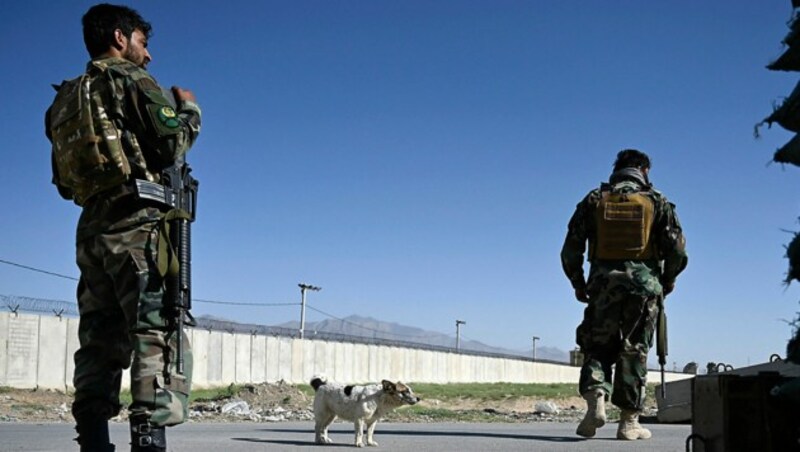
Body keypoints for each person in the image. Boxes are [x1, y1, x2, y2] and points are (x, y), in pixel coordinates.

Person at [45, 4, 202, 451]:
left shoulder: (64, 99)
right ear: (120, 37)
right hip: (137, 225)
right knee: (155, 333)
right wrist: (189, 110)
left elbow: (64, 180)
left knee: (99, 340)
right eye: (143, 43)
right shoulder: (126, 78)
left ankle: (92, 442)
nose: (148, 56)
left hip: (92, 230)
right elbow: (171, 141)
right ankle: (148, 444)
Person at [560, 149, 687, 441]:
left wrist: (578, 283)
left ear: (617, 169)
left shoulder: (594, 200)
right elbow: (677, 249)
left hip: (602, 287)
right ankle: (629, 423)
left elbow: (570, 249)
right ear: (643, 170)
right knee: (635, 348)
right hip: (643, 289)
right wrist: (667, 280)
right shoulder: (657, 201)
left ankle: (596, 402)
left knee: (598, 345)